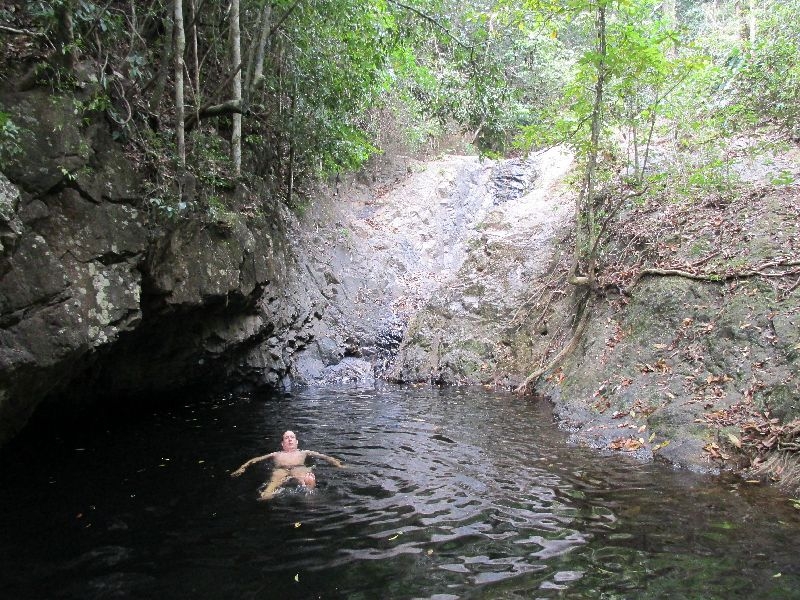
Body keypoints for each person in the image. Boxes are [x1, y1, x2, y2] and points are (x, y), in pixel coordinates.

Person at [231, 430, 344, 500]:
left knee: (309, 482)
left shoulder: (304, 452)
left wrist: (339, 465)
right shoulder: (276, 454)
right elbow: (255, 459)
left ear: (296, 442)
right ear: (282, 443)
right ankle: (270, 494)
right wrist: (242, 468)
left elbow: (325, 457)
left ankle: (310, 500)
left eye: (292, 437)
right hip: (281, 470)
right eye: (286, 438)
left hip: (299, 468)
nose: (289, 439)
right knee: (266, 495)